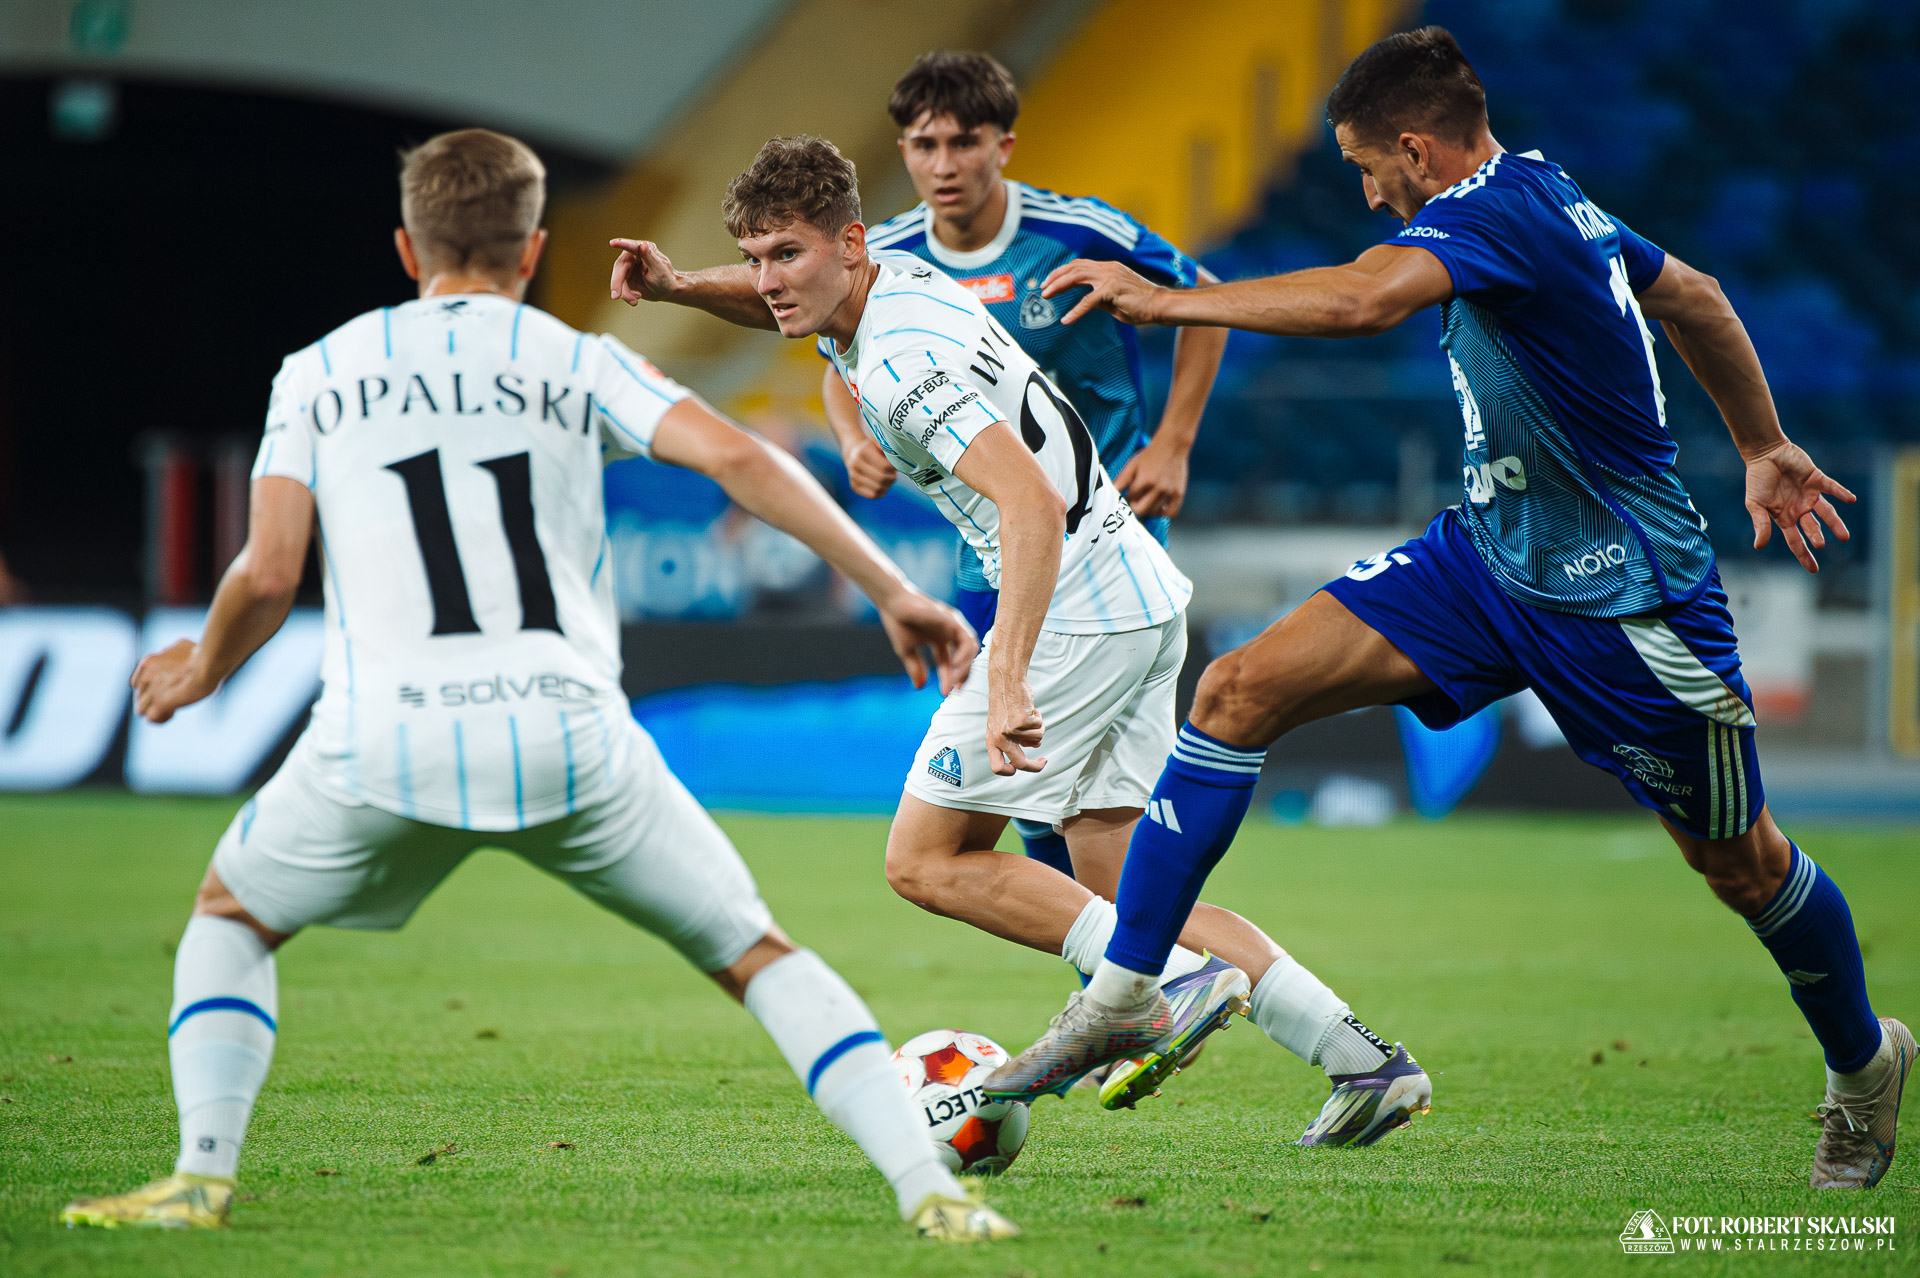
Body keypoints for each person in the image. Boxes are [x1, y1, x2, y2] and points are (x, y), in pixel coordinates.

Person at [984, 28, 1910, 1191]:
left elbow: (1368, 299)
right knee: (1235, 689)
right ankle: (1127, 991)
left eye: (1368, 169)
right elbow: (1695, 296)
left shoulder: (1498, 211)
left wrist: (1167, 304)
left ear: (1418, 152)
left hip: (1626, 601)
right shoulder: (1551, 196)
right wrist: (1763, 445)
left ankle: (1864, 1065)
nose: (1369, 194)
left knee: (1743, 866)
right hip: (1485, 561)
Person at [58, 128, 1017, 1242]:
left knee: (229, 918)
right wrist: (892, 589)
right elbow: (740, 460)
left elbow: (268, 575)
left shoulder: (317, 371)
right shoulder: (575, 359)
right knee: (759, 958)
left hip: (381, 738)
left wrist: (201, 666)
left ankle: (199, 1178)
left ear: (407, 249)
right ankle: (933, 1194)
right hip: (567, 737)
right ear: (533, 251)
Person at [612, 135, 1430, 1143]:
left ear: (851, 244)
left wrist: (1007, 679)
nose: (769, 281)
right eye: (755, 257)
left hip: (1076, 599)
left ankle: (1166, 984)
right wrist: (682, 285)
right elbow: (779, 297)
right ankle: (1360, 1060)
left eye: (787, 255)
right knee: (1121, 887)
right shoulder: (888, 276)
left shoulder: (899, 364)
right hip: (1135, 586)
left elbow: (1030, 504)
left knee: (926, 860)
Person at [610, 49, 1227, 885]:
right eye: (924, 145)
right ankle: (1136, 958)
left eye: (963, 141)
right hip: (999, 553)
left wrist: (1175, 442)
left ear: (1003, 145)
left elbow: (1201, 301)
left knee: (967, 835)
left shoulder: (1074, 233)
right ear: (902, 151)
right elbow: (796, 304)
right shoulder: (891, 258)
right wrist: (851, 430)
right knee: (1060, 826)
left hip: (1092, 537)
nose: (943, 165)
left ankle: (1124, 954)